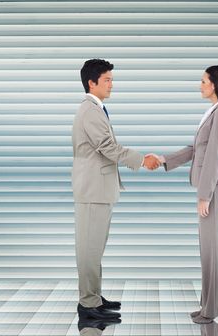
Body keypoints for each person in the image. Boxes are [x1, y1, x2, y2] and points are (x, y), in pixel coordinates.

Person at [153, 65, 218, 324]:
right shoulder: (214, 112)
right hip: (211, 187)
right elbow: (197, 149)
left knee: (214, 250)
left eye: (203, 81)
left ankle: (214, 309)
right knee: (207, 249)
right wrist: (164, 159)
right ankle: (208, 305)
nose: (200, 85)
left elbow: (215, 156)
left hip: (214, 188)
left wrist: (205, 195)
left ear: (215, 84)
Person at [72, 59, 161, 320]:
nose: (112, 84)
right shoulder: (89, 111)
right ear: (92, 82)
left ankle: (94, 298)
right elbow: (108, 148)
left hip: (98, 190)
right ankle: (88, 305)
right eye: (107, 79)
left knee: (95, 248)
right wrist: (141, 159)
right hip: (92, 190)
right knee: (89, 249)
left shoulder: (96, 109)